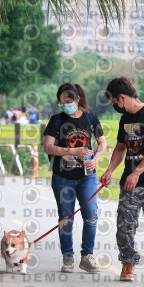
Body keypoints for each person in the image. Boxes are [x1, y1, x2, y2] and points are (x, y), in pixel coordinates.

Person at [100, 77, 144, 285]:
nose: (115, 106)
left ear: (122, 97)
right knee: (124, 225)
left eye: (114, 101)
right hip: (129, 182)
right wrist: (110, 171)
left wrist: (137, 172)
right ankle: (128, 262)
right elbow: (121, 148)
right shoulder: (125, 120)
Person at [43, 83, 107, 273]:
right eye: (61, 102)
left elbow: (102, 143)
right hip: (63, 177)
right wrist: (72, 150)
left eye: (68, 102)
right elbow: (48, 147)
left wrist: (96, 159)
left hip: (87, 176)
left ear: (78, 99)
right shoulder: (56, 120)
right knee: (65, 217)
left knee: (91, 216)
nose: (65, 105)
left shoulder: (90, 118)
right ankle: (68, 257)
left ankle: (87, 256)